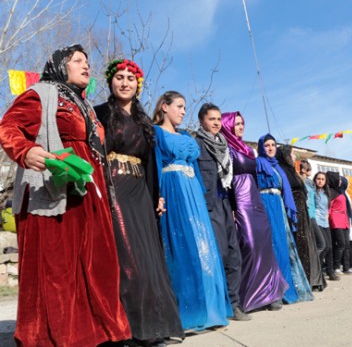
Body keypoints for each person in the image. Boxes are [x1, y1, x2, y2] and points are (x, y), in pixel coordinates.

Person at [0, 45, 130, 346]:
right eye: (78, 60)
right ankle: (54, 336)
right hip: (54, 193)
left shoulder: (84, 105)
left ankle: (100, 332)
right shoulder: (41, 94)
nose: (86, 65)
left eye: (87, 61)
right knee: (58, 268)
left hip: (90, 193)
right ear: (60, 65)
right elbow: (8, 127)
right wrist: (26, 150)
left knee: (98, 264)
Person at [94, 59, 183, 345]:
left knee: (149, 260)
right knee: (127, 259)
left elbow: (150, 164)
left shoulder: (144, 122)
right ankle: (128, 330)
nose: (124, 82)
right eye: (119, 77)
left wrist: (156, 194)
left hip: (141, 192)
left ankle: (156, 326)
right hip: (114, 190)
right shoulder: (100, 114)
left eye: (130, 78)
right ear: (110, 82)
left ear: (138, 85)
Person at [152, 91, 231, 330]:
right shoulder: (154, 132)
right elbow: (154, 165)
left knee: (204, 246)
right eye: (179, 106)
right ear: (164, 107)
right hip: (172, 189)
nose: (184, 111)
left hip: (194, 192)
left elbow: (196, 168)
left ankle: (211, 308)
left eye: (185, 107)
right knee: (182, 247)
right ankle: (188, 311)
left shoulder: (187, 135)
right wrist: (157, 195)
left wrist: (201, 196)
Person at [220, 111, 287, 311]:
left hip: (256, 199)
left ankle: (271, 293)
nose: (241, 127)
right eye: (237, 123)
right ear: (228, 125)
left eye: (242, 123)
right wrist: (232, 206)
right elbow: (225, 180)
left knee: (265, 243)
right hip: (239, 200)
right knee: (248, 244)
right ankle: (247, 295)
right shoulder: (225, 148)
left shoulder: (249, 150)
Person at [194, 103, 250, 321]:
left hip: (226, 203)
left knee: (234, 254)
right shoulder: (196, 145)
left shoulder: (224, 145)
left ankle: (234, 304)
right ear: (202, 121)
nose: (216, 123)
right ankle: (218, 305)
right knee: (219, 254)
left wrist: (235, 208)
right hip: (209, 205)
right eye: (211, 119)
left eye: (218, 119)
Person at [256, 134, 314, 303]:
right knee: (273, 246)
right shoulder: (259, 162)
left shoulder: (278, 167)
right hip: (266, 203)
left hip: (279, 205)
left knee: (284, 246)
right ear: (261, 147)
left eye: (273, 144)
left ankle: (288, 287)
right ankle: (275, 291)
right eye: (267, 145)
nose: (271, 148)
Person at [277, 146, 325, 290]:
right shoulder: (283, 171)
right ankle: (306, 280)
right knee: (302, 245)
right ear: (285, 155)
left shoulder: (293, 172)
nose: (294, 157)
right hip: (294, 211)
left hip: (303, 211)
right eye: (292, 154)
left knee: (310, 244)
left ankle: (315, 279)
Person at [326, 172, 352, 274]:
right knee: (340, 244)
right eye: (339, 179)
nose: (340, 181)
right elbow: (329, 207)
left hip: (344, 219)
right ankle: (336, 266)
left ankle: (346, 267)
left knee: (346, 244)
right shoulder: (331, 192)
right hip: (336, 219)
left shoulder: (340, 191)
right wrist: (330, 219)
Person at [313, 172, 338, 280]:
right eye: (318, 179)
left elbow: (327, 207)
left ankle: (330, 271)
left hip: (325, 222)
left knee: (330, 247)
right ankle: (318, 268)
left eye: (323, 179)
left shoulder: (326, 193)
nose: (320, 181)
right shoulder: (313, 192)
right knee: (324, 246)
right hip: (317, 221)